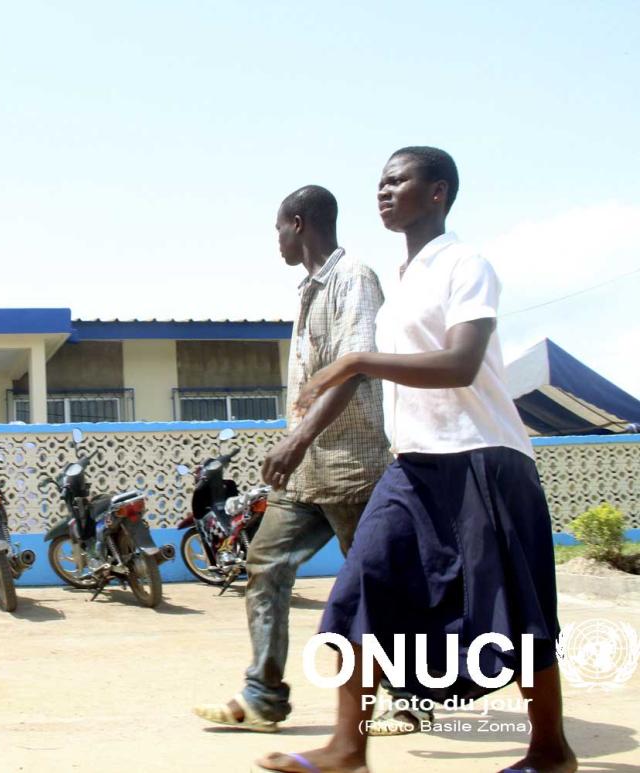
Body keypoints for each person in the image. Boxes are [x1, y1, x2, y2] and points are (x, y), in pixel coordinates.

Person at [257, 147, 576, 773]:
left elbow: (460, 364)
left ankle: (550, 750)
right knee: (359, 588)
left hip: (483, 458)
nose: (383, 191)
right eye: (380, 182)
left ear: (438, 192)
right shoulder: (400, 282)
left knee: (517, 609)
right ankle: (349, 748)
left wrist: (354, 361)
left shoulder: (465, 264)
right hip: (413, 466)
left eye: (398, 181)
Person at [194, 185, 409, 733]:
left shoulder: (353, 277)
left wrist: (296, 439)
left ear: (297, 223)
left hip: (354, 467)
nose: (277, 241)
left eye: (278, 229)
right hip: (307, 474)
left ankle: (408, 696)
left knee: (377, 586)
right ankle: (262, 696)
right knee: (264, 564)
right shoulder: (309, 289)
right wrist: (299, 446)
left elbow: (355, 367)